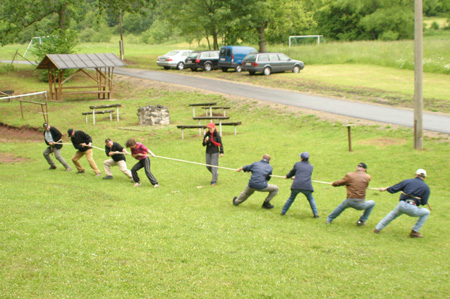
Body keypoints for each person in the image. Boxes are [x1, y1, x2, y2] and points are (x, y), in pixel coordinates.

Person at [374, 169, 431, 238]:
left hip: (402, 204)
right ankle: (414, 232)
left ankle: (377, 228)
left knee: (392, 214)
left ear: (416, 175)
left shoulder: (407, 181)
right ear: (424, 177)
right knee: (426, 212)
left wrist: (386, 189)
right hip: (413, 208)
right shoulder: (426, 188)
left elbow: (394, 189)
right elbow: (424, 202)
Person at [281, 152, 319, 218]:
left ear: (301, 158)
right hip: (307, 186)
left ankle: (283, 212)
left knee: (291, 199)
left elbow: (292, 172)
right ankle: (315, 214)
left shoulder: (297, 164)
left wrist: (288, 176)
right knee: (311, 199)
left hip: (296, 185)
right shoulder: (311, 166)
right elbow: (305, 174)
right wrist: (296, 177)